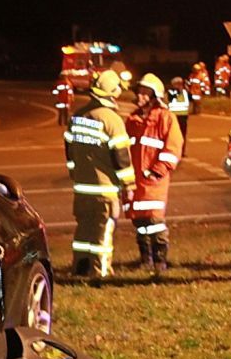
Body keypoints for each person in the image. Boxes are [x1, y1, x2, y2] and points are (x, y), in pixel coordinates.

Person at [64, 69, 134, 278]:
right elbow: (121, 157)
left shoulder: (77, 116)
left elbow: (69, 150)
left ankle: (80, 268)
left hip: (82, 189)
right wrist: (129, 185)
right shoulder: (112, 120)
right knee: (102, 233)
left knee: (83, 232)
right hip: (104, 190)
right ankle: (100, 272)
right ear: (113, 93)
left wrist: (75, 173)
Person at [126, 73, 183, 274]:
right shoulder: (132, 120)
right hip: (135, 181)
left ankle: (160, 260)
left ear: (154, 96)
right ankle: (145, 259)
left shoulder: (165, 118)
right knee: (139, 221)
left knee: (155, 221)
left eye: (145, 93)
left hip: (154, 182)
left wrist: (156, 172)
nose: (140, 96)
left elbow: (173, 148)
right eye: (139, 92)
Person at [166, 76, 190, 156]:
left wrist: (187, 88)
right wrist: (177, 91)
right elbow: (171, 98)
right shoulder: (171, 92)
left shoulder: (185, 92)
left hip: (183, 117)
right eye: (177, 84)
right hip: (173, 117)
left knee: (182, 136)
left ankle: (182, 152)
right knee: (173, 135)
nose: (179, 85)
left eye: (180, 84)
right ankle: (173, 151)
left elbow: (191, 98)